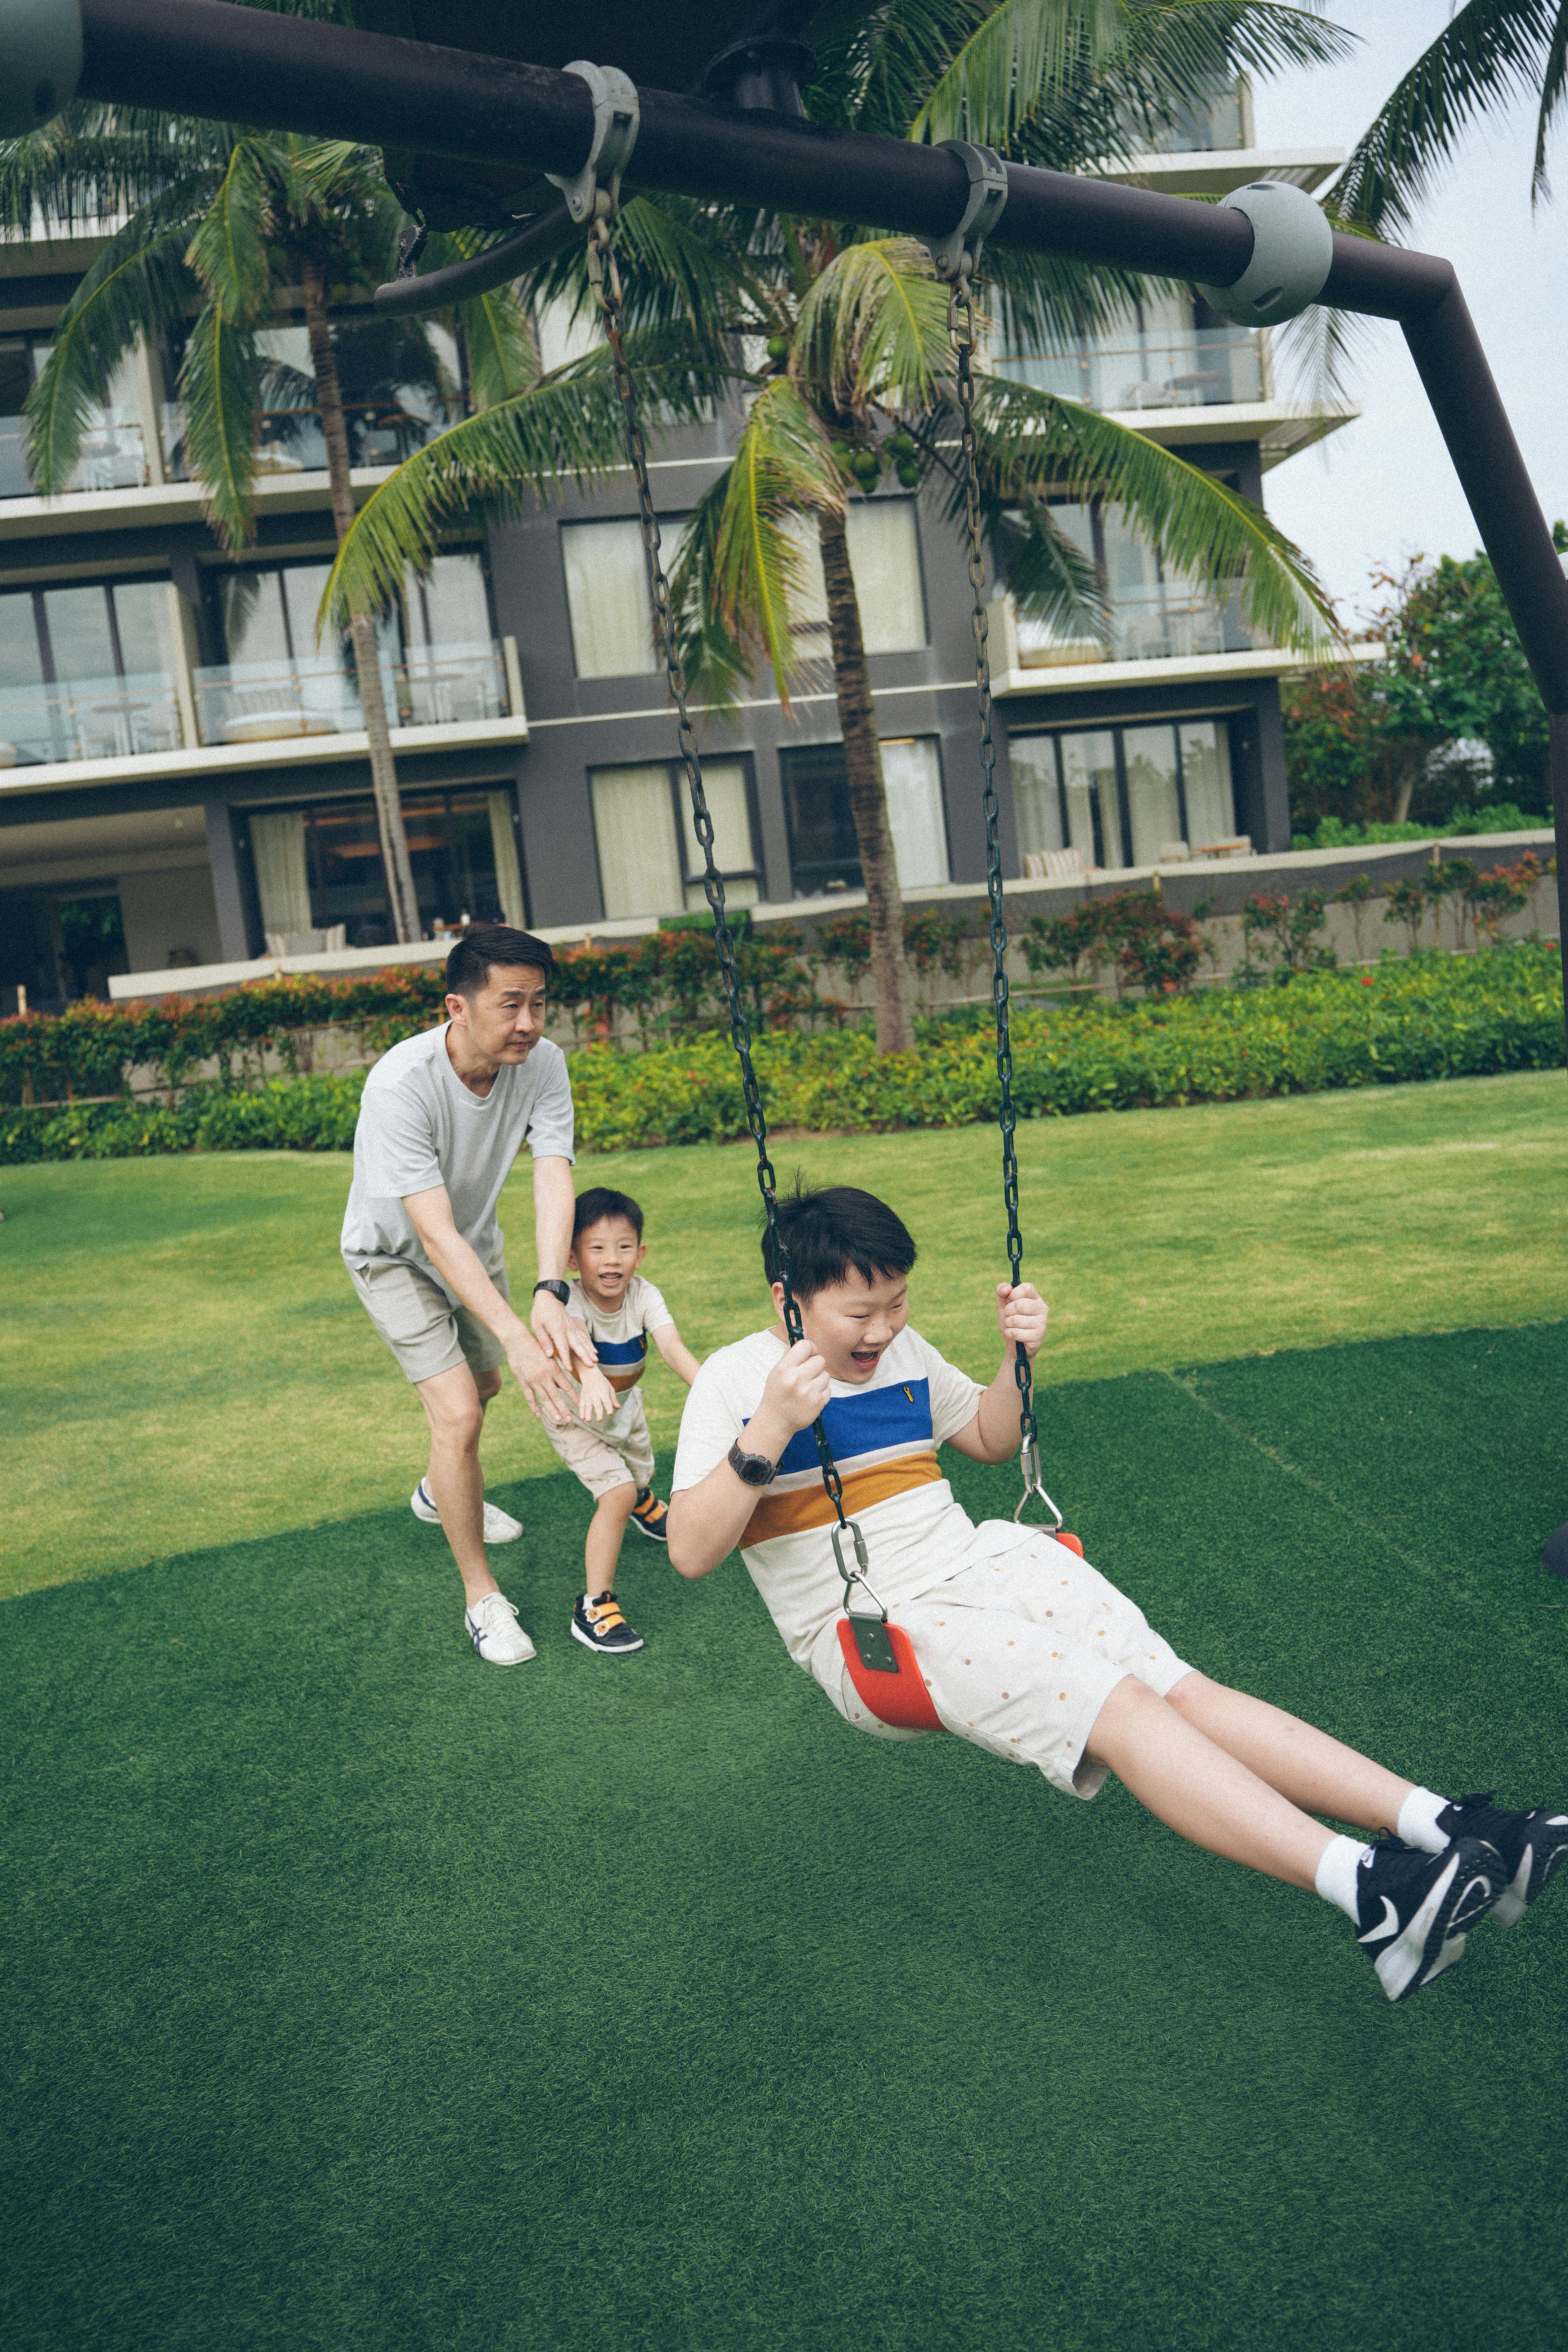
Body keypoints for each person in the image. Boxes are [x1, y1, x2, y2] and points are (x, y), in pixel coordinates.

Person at [668, 1184, 1568, 2002]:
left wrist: (1016, 1359)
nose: (883, 1329)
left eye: (897, 1303)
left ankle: (1447, 1828)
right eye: (861, 1312)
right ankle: (1371, 1892)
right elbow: (690, 1552)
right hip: (874, 1626)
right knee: (1125, 1709)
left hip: (981, 1562)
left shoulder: (903, 1352)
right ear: (791, 1300)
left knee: (1183, 1691)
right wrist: (770, 1432)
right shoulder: (738, 1381)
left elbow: (986, 1437)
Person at [341, 924, 598, 1666]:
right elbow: (431, 1235)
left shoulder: (543, 1063)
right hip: (393, 1256)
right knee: (457, 1414)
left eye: (539, 1005)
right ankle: (483, 1600)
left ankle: (437, 1490)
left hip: (474, 1245)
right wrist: (521, 1338)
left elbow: (553, 1172)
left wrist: (551, 1292)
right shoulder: (399, 1084)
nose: (527, 1023)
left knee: (481, 1388)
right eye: (509, 1005)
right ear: (456, 1006)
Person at [541, 1185, 702, 1656]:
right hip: (575, 1418)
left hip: (624, 1410)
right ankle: (594, 1606)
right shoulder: (568, 1301)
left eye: (624, 1247)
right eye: (596, 1248)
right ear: (572, 1259)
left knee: (638, 1478)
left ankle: (641, 1498)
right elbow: (571, 1347)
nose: (612, 1260)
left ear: (641, 1253)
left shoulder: (645, 1295)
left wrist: (709, 1387)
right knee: (616, 1493)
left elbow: (671, 1348)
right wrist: (589, 1378)